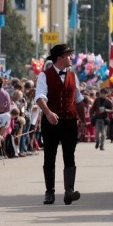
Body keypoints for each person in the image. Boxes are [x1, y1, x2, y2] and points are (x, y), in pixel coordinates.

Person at [34, 44, 85, 206]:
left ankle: (69, 190)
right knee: (50, 155)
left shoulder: (73, 76)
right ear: (60, 57)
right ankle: (50, 192)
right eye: (69, 55)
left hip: (69, 121)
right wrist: (48, 113)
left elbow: (78, 100)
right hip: (51, 122)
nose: (71, 57)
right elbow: (39, 97)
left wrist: (83, 120)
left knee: (69, 155)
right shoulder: (44, 76)